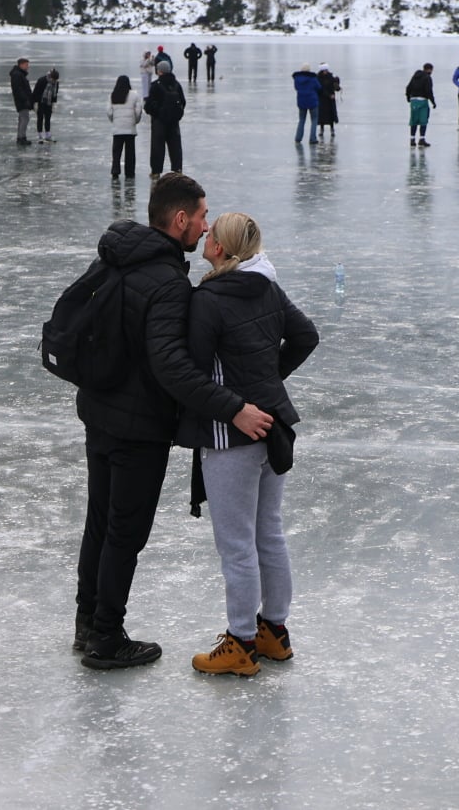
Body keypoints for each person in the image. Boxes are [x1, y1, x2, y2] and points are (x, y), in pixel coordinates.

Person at [73, 174, 275, 670]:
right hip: (137, 426)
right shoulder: (166, 282)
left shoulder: (117, 257)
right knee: (125, 531)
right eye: (202, 216)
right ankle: (106, 637)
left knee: (100, 520)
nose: (207, 226)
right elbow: (172, 366)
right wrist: (233, 407)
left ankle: (87, 623)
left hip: (98, 412)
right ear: (180, 220)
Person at [178, 212, 319, 677]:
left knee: (236, 544)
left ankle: (240, 641)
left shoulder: (209, 298)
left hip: (230, 434)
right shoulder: (268, 286)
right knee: (269, 532)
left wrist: (239, 397)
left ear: (220, 249)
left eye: (211, 234)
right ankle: (273, 632)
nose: (205, 237)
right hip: (272, 426)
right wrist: (267, 379)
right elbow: (305, 335)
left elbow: (195, 369)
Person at [145, 60, 185, 177]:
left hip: (159, 122)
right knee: (175, 147)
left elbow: (149, 105)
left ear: (160, 71)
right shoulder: (177, 85)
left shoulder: (155, 85)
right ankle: (177, 170)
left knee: (157, 147)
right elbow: (183, 101)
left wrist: (156, 112)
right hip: (174, 122)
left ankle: (156, 171)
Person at [108, 74, 140, 179]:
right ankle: (129, 172)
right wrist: (135, 121)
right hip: (130, 129)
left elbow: (109, 111)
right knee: (130, 152)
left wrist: (114, 120)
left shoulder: (113, 95)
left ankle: (115, 170)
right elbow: (138, 111)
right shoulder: (134, 95)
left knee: (116, 151)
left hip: (117, 129)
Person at [406, 62, 436, 147]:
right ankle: (421, 139)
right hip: (422, 101)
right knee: (423, 121)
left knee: (414, 121)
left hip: (413, 101)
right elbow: (429, 91)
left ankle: (412, 140)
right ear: (429, 69)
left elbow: (408, 87)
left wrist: (408, 98)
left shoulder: (415, 77)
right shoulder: (427, 78)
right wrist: (433, 102)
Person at [292, 63, 322, 143]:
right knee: (314, 120)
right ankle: (312, 138)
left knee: (301, 120)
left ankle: (298, 138)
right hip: (312, 101)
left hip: (301, 101)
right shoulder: (312, 78)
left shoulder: (297, 79)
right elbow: (319, 87)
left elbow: (296, 88)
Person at [315, 62, 341, 142]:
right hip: (322, 99)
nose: (325, 71)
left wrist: (337, 82)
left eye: (326, 70)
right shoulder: (318, 78)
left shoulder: (331, 77)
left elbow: (337, 88)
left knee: (331, 115)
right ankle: (321, 130)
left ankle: (332, 129)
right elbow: (320, 89)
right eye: (324, 70)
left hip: (329, 100)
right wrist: (329, 95)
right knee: (322, 115)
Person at [10, 57, 33, 145]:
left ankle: (21, 137)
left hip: (22, 100)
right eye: (26, 65)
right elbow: (18, 89)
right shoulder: (17, 75)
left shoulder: (19, 74)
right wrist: (25, 99)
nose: (28, 67)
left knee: (22, 118)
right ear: (21, 65)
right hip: (21, 101)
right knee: (24, 118)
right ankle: (21, 137)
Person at [33, 69, 60, 143]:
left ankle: (48, 135)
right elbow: (36, 92)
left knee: (48, 118)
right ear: (50, 76)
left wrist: (54, 103)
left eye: (55, 79)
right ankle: (40, 135)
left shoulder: (56, 83)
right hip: (40, 102)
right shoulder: (42, 80)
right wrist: (35, 103)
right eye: (53, 79)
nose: (54, 81)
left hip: (49, 103)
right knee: (40, 118)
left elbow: (55, 94)